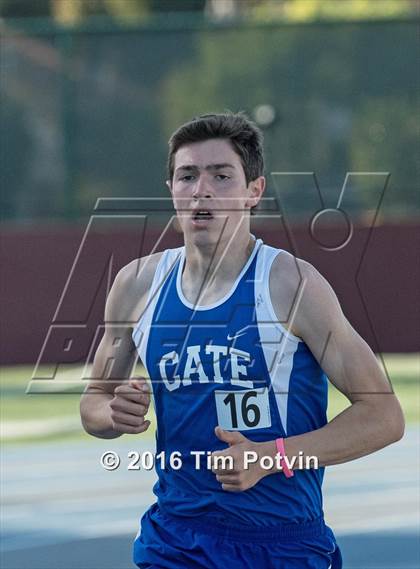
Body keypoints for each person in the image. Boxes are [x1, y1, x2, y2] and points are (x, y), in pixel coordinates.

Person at [80, 112, 405, 569]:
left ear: (254, 191)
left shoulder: (292, 285)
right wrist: (112, 413)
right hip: (175, 540)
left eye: (221, 175)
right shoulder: (136, 285)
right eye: (187, 176)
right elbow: (94, 402)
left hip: (282, 544)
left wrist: (271, 458)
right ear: (171, 188)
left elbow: (384, 415)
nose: (201, 190)